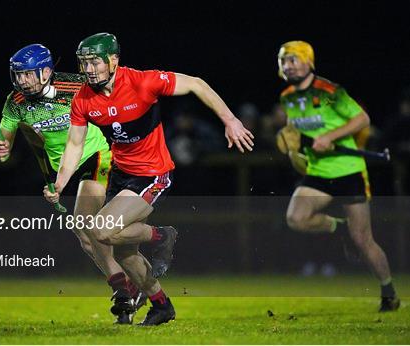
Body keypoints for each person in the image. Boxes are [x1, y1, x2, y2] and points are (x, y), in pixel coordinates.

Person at [46, 32, 254, 326]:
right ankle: (161, 305)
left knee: (101, 231)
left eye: (95, 61)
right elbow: (74, 145)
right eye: (84, 63)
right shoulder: (83, 98)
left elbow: (196, 84)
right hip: (122, 174)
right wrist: (60, 182)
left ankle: (160, 236)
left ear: (114, 60)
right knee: (124, 251)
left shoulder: (144, 82)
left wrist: (230, 120)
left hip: (153, 173)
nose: (89, 69)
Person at [0, 44, 147, 324]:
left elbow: (114, 100)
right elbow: (6, 141)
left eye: (27, 74)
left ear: (46, 72)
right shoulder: (15, 102)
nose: (21, 81)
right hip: (63, 170)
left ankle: (123, 289)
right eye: (18, 75)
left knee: (84, 221)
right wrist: (0, 148)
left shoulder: (76, 86)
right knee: (87, 237)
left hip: (96, 155)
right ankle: (131, 280)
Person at [277, 40, 400, 312]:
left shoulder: (330, 90)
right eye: (283, 61)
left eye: (293, 59)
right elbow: (294, 130)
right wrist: (290, 146)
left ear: (308, 62)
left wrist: (330, 136)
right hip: (318, 171)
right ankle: (340, 228)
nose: (288, 65)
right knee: (296, 218)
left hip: (348, 170)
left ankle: (388, 291)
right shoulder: (287, 97)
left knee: (364, 240)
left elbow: (362, 119)